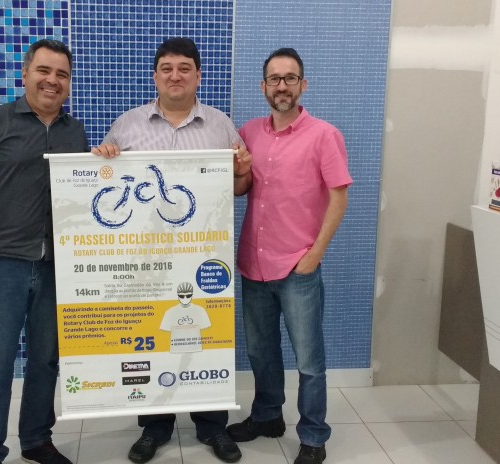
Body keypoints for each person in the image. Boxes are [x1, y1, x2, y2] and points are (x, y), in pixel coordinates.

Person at [92, 37, 252, 464]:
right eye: (167, 68)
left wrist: (242, 172)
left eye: (184, 68)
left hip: (203, 256)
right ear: (155, 76)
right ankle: (155, 427)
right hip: (145, 257)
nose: (175, 75)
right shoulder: (127, 125)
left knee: (206, 337)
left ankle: (212, 426)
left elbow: (239, 186)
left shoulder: (221, 125)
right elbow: (102, 178)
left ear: (198, 75)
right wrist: (103, 156)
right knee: (152, 336)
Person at [0, 39, 89, 464]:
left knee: (46, 360)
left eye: (62, 74)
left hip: (56, 268)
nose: (52, 81)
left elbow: (86, 192)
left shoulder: (75, 131)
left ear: (69, 83)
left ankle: (36, 440)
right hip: (3, 265)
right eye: (44, 71)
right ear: (25, 74)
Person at [227, 48, 351, 464]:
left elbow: (339, 198)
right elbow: (240, 189)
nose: (282, 86)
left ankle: (313, 436)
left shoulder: (324, 135)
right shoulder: (248, 133)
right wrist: (240, 170)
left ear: (303, 85)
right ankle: (267, 417)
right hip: (254, 264)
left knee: (309, 360)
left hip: (298, 267)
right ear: (263, 86)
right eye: (275, 79)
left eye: (290, 78)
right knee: (261, 353)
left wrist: (315, 253)